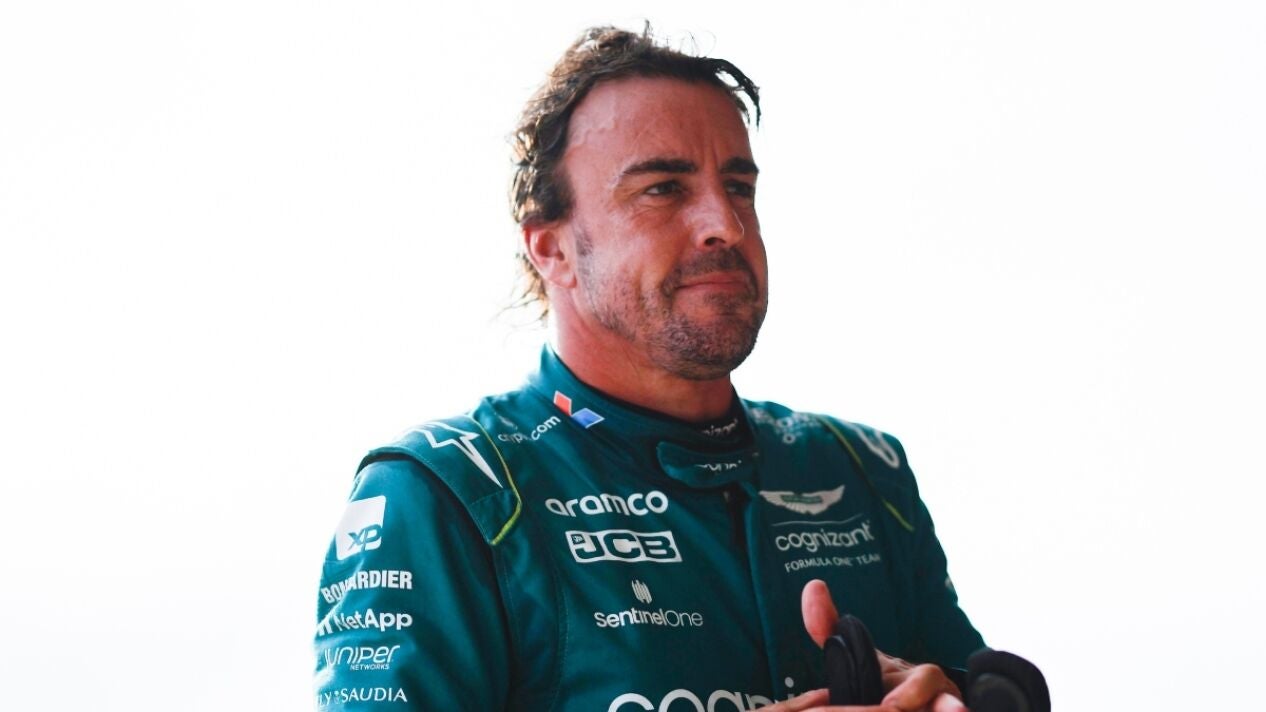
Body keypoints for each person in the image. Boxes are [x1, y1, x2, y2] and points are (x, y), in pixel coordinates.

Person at [314, 26, 984, 712]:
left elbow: (986, 683)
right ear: (551, 250)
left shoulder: (860, 468)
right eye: (663, 188)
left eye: (739, 186)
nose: (725, 224)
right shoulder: (444, 493)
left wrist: (952, 696)